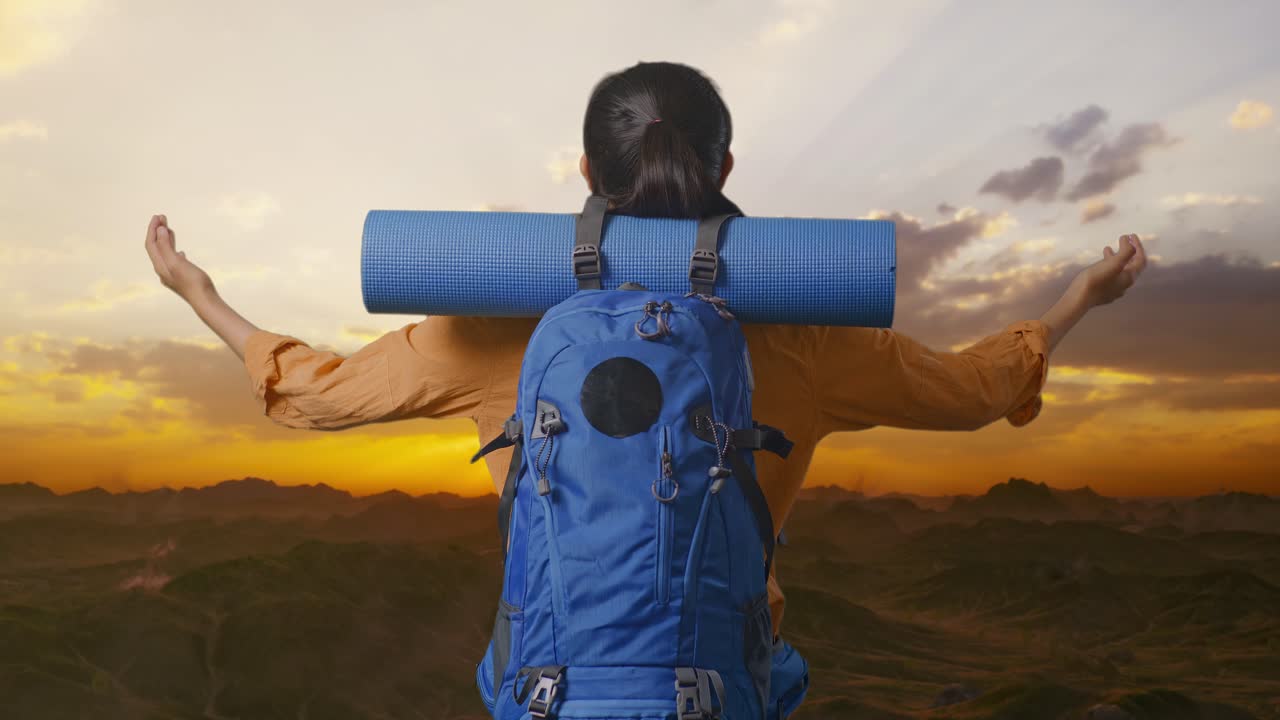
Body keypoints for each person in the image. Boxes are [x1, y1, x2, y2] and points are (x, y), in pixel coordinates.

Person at [143, 61, 1146, 715]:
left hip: (550, 693)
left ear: (584, 168)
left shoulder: (500, 329)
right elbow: (971, 390)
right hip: (719, 691)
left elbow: (317, 394)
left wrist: (203, 296)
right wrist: (1076, 300)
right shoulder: (803, 334)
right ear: (725, 166)